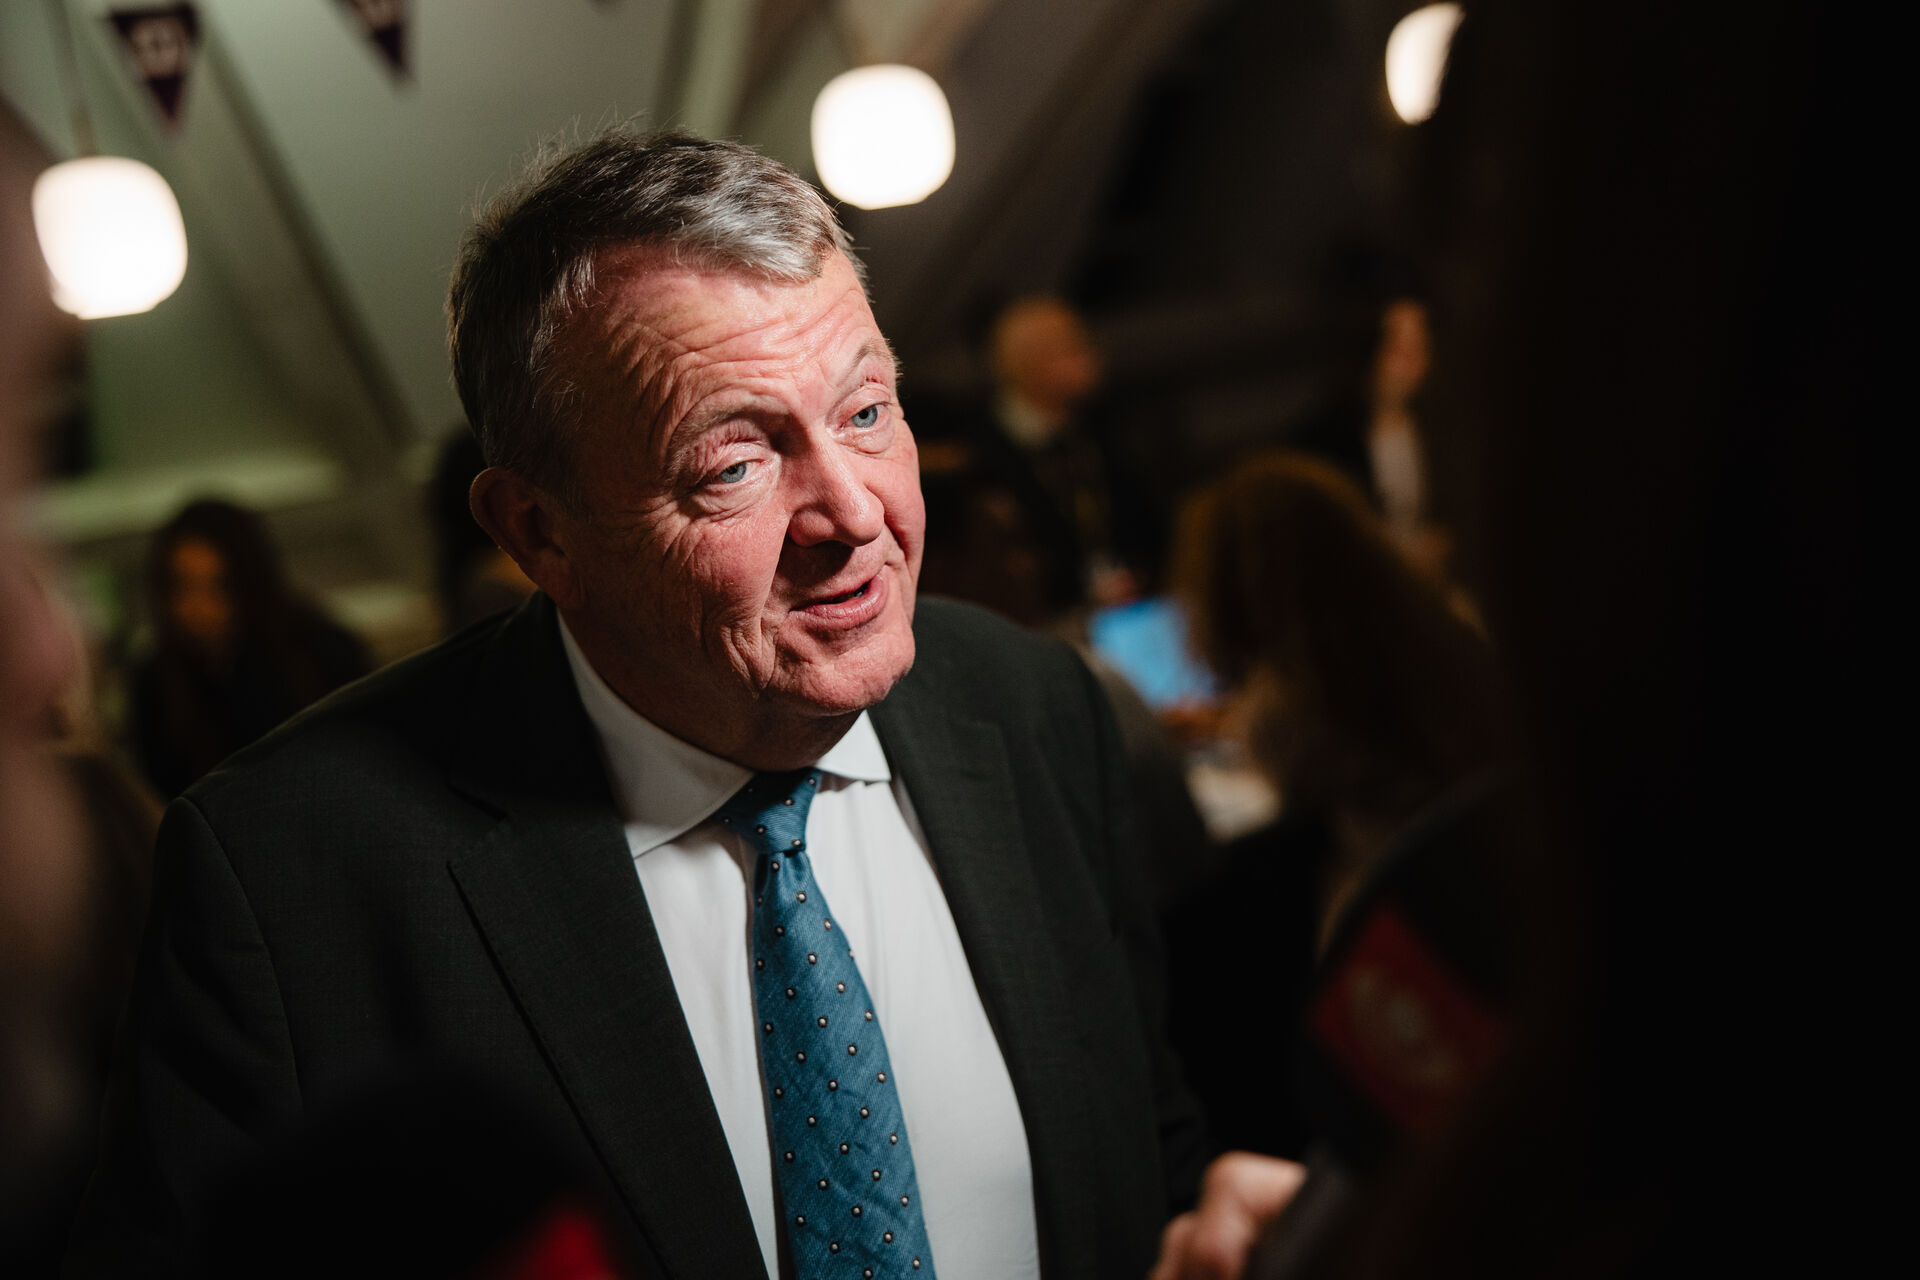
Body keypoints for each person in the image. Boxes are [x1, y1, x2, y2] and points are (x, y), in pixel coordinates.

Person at [69, 130, 1205, 1279]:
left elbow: (1145, 1167)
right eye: (735, 465)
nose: (855, 514)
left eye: (866, 413)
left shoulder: (1033, 709)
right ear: (539, 534)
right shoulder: (289, 876)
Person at [127, 498, 372, 797]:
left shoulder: (319, 652)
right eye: (183, 586)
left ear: (248, 584)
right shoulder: (157, 682)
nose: (197, 608)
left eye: (218, 586)